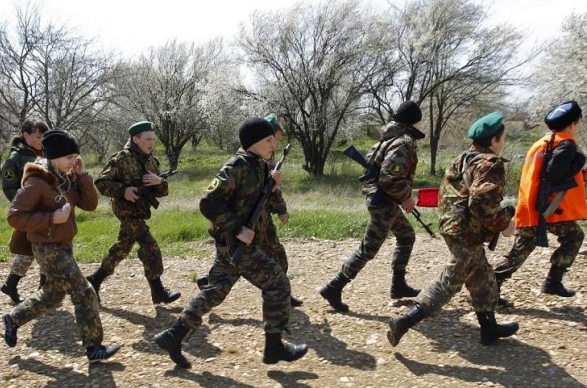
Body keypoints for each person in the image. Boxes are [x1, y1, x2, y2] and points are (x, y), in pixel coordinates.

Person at [153, 117, 308, 369]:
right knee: (278, 283)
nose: (273, 145)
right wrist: (237, 229)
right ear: (254, 143)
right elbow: (208, 202)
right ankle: (274, 347)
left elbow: (254, 199)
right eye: (269, 141)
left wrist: (273, 187)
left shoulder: (258, 165)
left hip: (234, 246)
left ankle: (174, 336)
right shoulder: (237, 166)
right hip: (237, 245)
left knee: (215, 291)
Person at [387, 111, 519, 347]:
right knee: (450, 281)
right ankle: (404, 321)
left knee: (482, 276)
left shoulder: (462, 159)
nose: (504, 142)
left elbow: (448, 196)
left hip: (452, 227)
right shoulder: (490, 164)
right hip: (467, 232)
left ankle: (489, 328)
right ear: (494, 140)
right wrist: (505, 222)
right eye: (503, 138)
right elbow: (483, 203)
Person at [2, 128, 120, 364]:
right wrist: (50, 219)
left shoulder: (67, 178)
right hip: (46, 247)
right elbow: (15, 217)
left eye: (76, 156)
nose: (73, 161)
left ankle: (13, 319)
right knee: (84, 291)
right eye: (69, 157)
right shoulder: (37, 181)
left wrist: (83, 174)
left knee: (53, 295)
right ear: (52, 157)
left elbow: (89, 204)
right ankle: (94, 347)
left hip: (63, 245)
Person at [319, 100, 423, 312]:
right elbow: (389, 177)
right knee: (369, 249)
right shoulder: (403, 142)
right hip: (384, 202)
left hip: (384, 199)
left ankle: (398, 285)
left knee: (406, 235)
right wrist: (406, 197)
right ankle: (334, 287)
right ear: (414, 121)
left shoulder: (389, 138)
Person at [494, 101, 587, 303]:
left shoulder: (542, 142)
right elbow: (555, 173)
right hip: (550, 208)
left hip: (531, 205)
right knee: (574, 237)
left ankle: (491, 284)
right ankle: (553, 281)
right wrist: (579, 160)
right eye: (577, 123)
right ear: (572, 124)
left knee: (521, 249)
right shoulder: (566, 143)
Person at [85, 121, 180, 305]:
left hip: (141, 210)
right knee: (149, 246)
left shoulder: (152, 161)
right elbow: (101, 183)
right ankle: (158, 291)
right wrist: (124, 191)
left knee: (123, 247)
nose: (151, 143)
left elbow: (162, 192)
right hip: (126, 212)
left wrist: (158, 182)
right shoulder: (122, 159)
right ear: (135, 139)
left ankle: (94, 280)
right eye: (147, 139)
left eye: (153, 139)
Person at [0, 118, 49, 303]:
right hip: (31, 211)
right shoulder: (16, 158)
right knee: (41, 247)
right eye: (37, 136)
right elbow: (9, 187)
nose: (41, 139)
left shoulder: (46, 153)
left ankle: (13, 284)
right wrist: (25, 205)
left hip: (47, 209)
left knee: (36, 248)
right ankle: (42, 288)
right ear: (25, 135)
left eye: (43, 135)